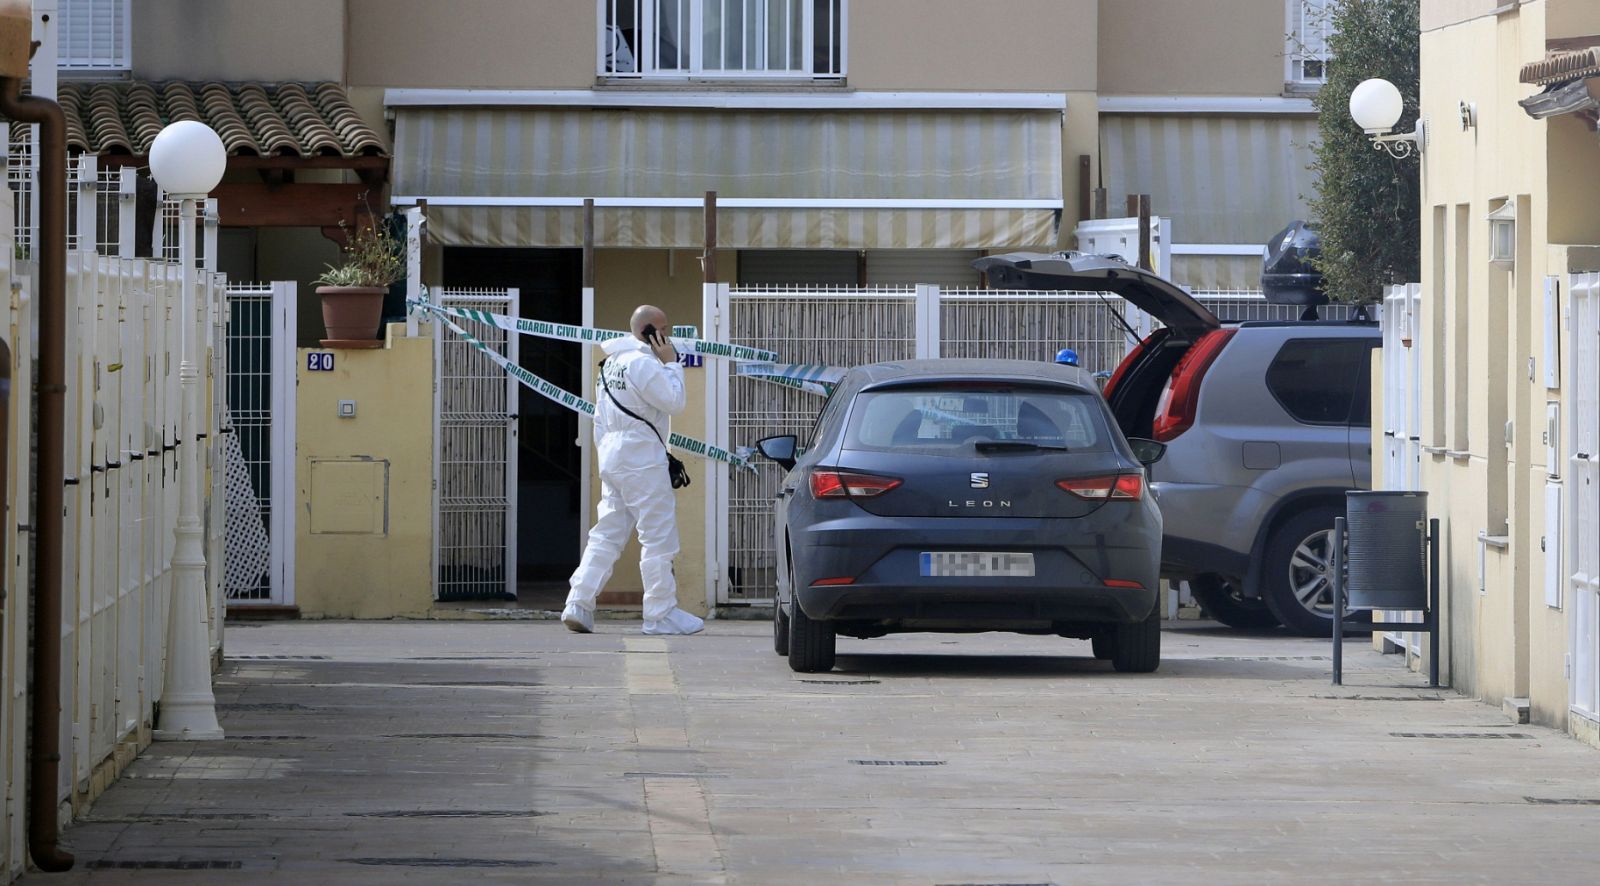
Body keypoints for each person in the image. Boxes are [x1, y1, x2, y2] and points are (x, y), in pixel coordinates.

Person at [562, 305, 705, 636]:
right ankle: (660, 613)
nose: (668, 336)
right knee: (658, 535)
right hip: (641, 458)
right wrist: (672, 363)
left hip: (613, 456)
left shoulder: (611, 362)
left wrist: (607, 458)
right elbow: (674, 401)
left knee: (607, 533)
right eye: (663, 330)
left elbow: (600, 418)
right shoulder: (643, 363)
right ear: (649, 332)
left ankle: (578, 602)